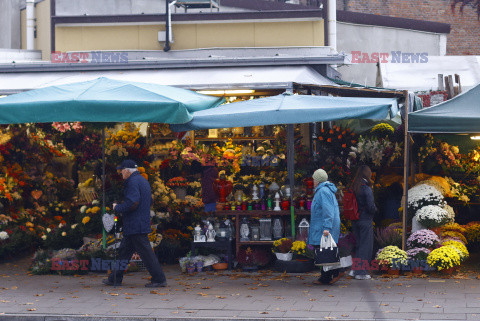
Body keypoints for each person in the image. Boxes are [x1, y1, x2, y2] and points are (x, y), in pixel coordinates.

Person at [103, 159, 167, 288]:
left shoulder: (132, 182)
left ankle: (159, 279)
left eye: (122, 171)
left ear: (127, 171)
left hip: (135, 224)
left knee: (146, 253)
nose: (121, 173)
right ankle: (114, 278)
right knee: (124, 252)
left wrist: (118, 208)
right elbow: (149, 201)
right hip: (139, 222)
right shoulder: (143, 180)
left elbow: (133, 202)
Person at [307, 168, 342, 285]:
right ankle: (327, 276)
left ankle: (334, 273)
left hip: (324, 225)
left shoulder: (323, 192)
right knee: (324, 249)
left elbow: (328, 211)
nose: (313, 181)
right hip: (323, 224)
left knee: (324, 250)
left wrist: (327, 227)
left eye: (314, 179)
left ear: (317, 180)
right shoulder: (325, 190)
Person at [350, 165, 377, 280]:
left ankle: (354, 269)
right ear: (368, 174)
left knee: (359, 245)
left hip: (354, 219)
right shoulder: (366, 188)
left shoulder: (354, 186)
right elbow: (371, 206)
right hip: (365, 220)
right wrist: (376, 210)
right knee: (366, 246)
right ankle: (361, 272)